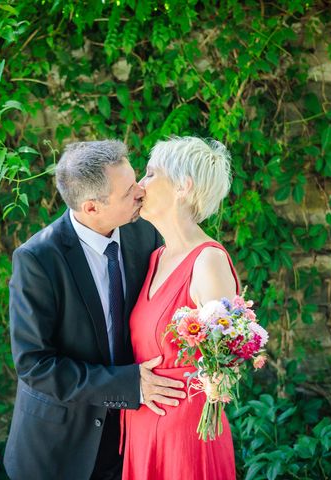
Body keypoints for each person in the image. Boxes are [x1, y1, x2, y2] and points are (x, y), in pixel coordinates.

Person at [3, 140, 186, 480]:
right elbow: (34, 365)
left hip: (133, 438)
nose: (141, 192)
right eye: (128, 191)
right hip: (59, 449)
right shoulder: (38, 260)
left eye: (137, 180)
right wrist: (128, 385)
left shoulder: (145, 234)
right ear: (91, 208)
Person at [122, 137, 239, 480]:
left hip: (186, 436)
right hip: (142, 424)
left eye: (151, 174)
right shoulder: (155, 257)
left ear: (183, 187)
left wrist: (215, 379)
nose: (139, 185)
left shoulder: (208, 261)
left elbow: (226, 361)